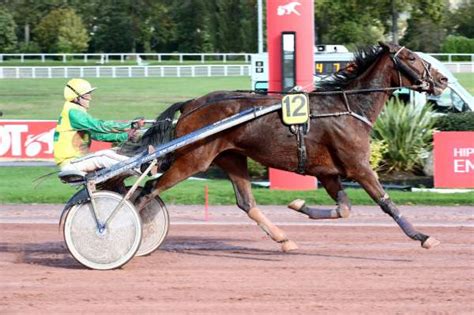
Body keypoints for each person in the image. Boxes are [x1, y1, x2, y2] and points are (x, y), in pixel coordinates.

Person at [53, 78, 144, 173]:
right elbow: (99, 126)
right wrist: (130, 125)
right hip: (71, 163)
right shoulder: (73, 113)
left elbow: (98, 135)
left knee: (109, 153)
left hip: (76, 161)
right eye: (86, 95)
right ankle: (140, 166)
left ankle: (138, 165)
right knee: (103, 156)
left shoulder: (75, 113)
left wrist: (126, 136)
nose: (90, 98)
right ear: (76, 98)